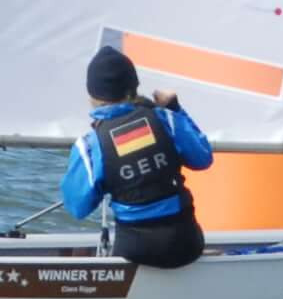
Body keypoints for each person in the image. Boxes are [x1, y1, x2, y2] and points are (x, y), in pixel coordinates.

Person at [63, 45, 213, 271]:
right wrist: (174, 107)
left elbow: (78, 208)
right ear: (133, 87)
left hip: (136, 252)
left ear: (92, 96)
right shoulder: (165, 119)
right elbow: (202, 158)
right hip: (187, 245)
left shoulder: (90, 145)